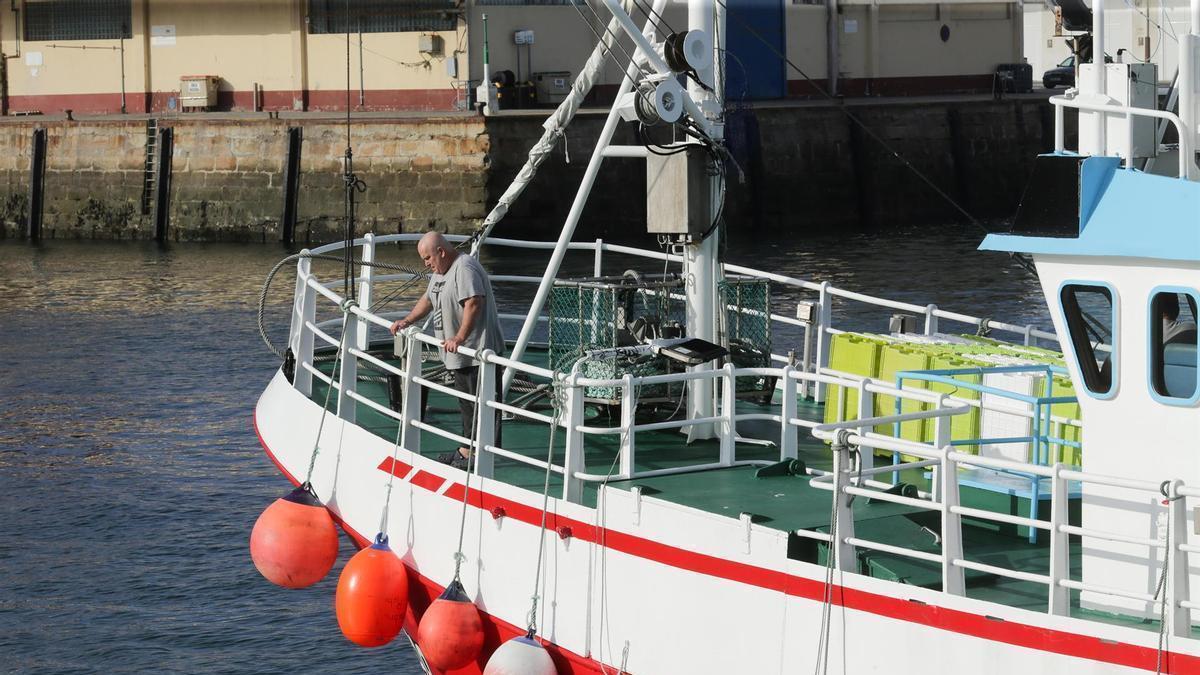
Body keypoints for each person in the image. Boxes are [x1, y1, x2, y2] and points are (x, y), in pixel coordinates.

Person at [390, 231, 505, 468]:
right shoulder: (440, 272)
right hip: (459, 354)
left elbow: (474, 302)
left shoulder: (464, 268)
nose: (426, 264)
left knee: (479, 402)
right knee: (465, 402)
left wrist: (460, 337)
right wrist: (407, 320)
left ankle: (480, 454)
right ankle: (466, 449)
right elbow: (429, 299)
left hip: (476, 351)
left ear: (441, 252)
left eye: (428, 258)